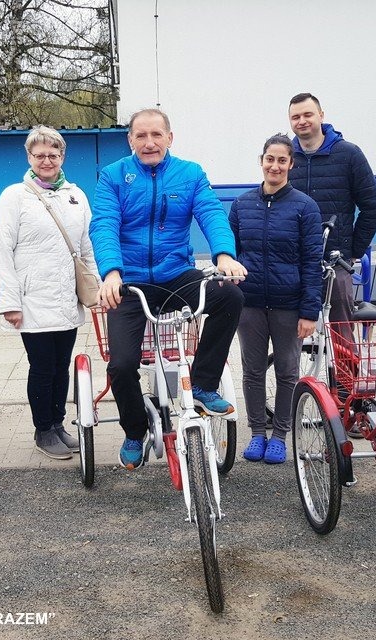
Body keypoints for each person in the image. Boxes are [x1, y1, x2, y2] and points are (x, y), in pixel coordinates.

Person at [90, 108, 248, 469]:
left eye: (156, 135)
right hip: (129, 282)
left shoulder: (190, 174)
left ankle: (205, 386)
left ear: (170, 138)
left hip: (176, 274)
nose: (149, 143)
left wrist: (224, 255)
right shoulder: (113, 176)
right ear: (130, 140)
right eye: (141, 136)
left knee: (229, 296)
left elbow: (210, 212)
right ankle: (134, 430)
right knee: (122, 364)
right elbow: (104, 225)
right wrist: (111, 274)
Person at [0, 126, 98, 460]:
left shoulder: (76, 195)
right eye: (40, 155)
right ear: (29, 158)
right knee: (42, 367)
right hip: (31, 300)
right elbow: (1, 250)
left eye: (53, 154)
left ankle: (58, 424)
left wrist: (96, 289)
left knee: (62, 366)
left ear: (62, 156)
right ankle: (43, 431)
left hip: (66, 297)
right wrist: (9, 303)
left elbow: (86, 247)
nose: (47, 161)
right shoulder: (14, 196)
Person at [229, 134, 323, 464]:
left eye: (282, 160)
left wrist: (309, 311)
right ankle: (257, 433)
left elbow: (313, 261)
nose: (275, 165)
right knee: (253, 371)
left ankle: (281, 435)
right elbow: (230, 254)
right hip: (250, 303)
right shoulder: (241, 205)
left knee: (287, 371)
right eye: (270, 158)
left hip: (289, 305)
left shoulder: (305, 207)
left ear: (291, 164)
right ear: (261, 160)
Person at [287, 92, 376, 331]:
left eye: (308, 114)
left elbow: (372, 206)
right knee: (290, 334)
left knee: (342, 337)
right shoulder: (285, 157)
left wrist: (353, 251)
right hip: (292, 261)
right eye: (295, 116)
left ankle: (346, 370)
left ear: (321, 115)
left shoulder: (349, 154)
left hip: (335, 261)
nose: (302, 121)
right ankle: (293, 371)